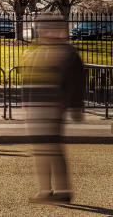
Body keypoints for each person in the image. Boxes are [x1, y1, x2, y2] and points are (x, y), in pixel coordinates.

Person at [23, 13, 85, 205]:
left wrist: (74, 106)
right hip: (39, 107)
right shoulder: (42, 51)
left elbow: (76, 83)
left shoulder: (65, 53)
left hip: (51, 108)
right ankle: (51, 190)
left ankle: (56, 190)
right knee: (44, 150)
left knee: (49, 149)